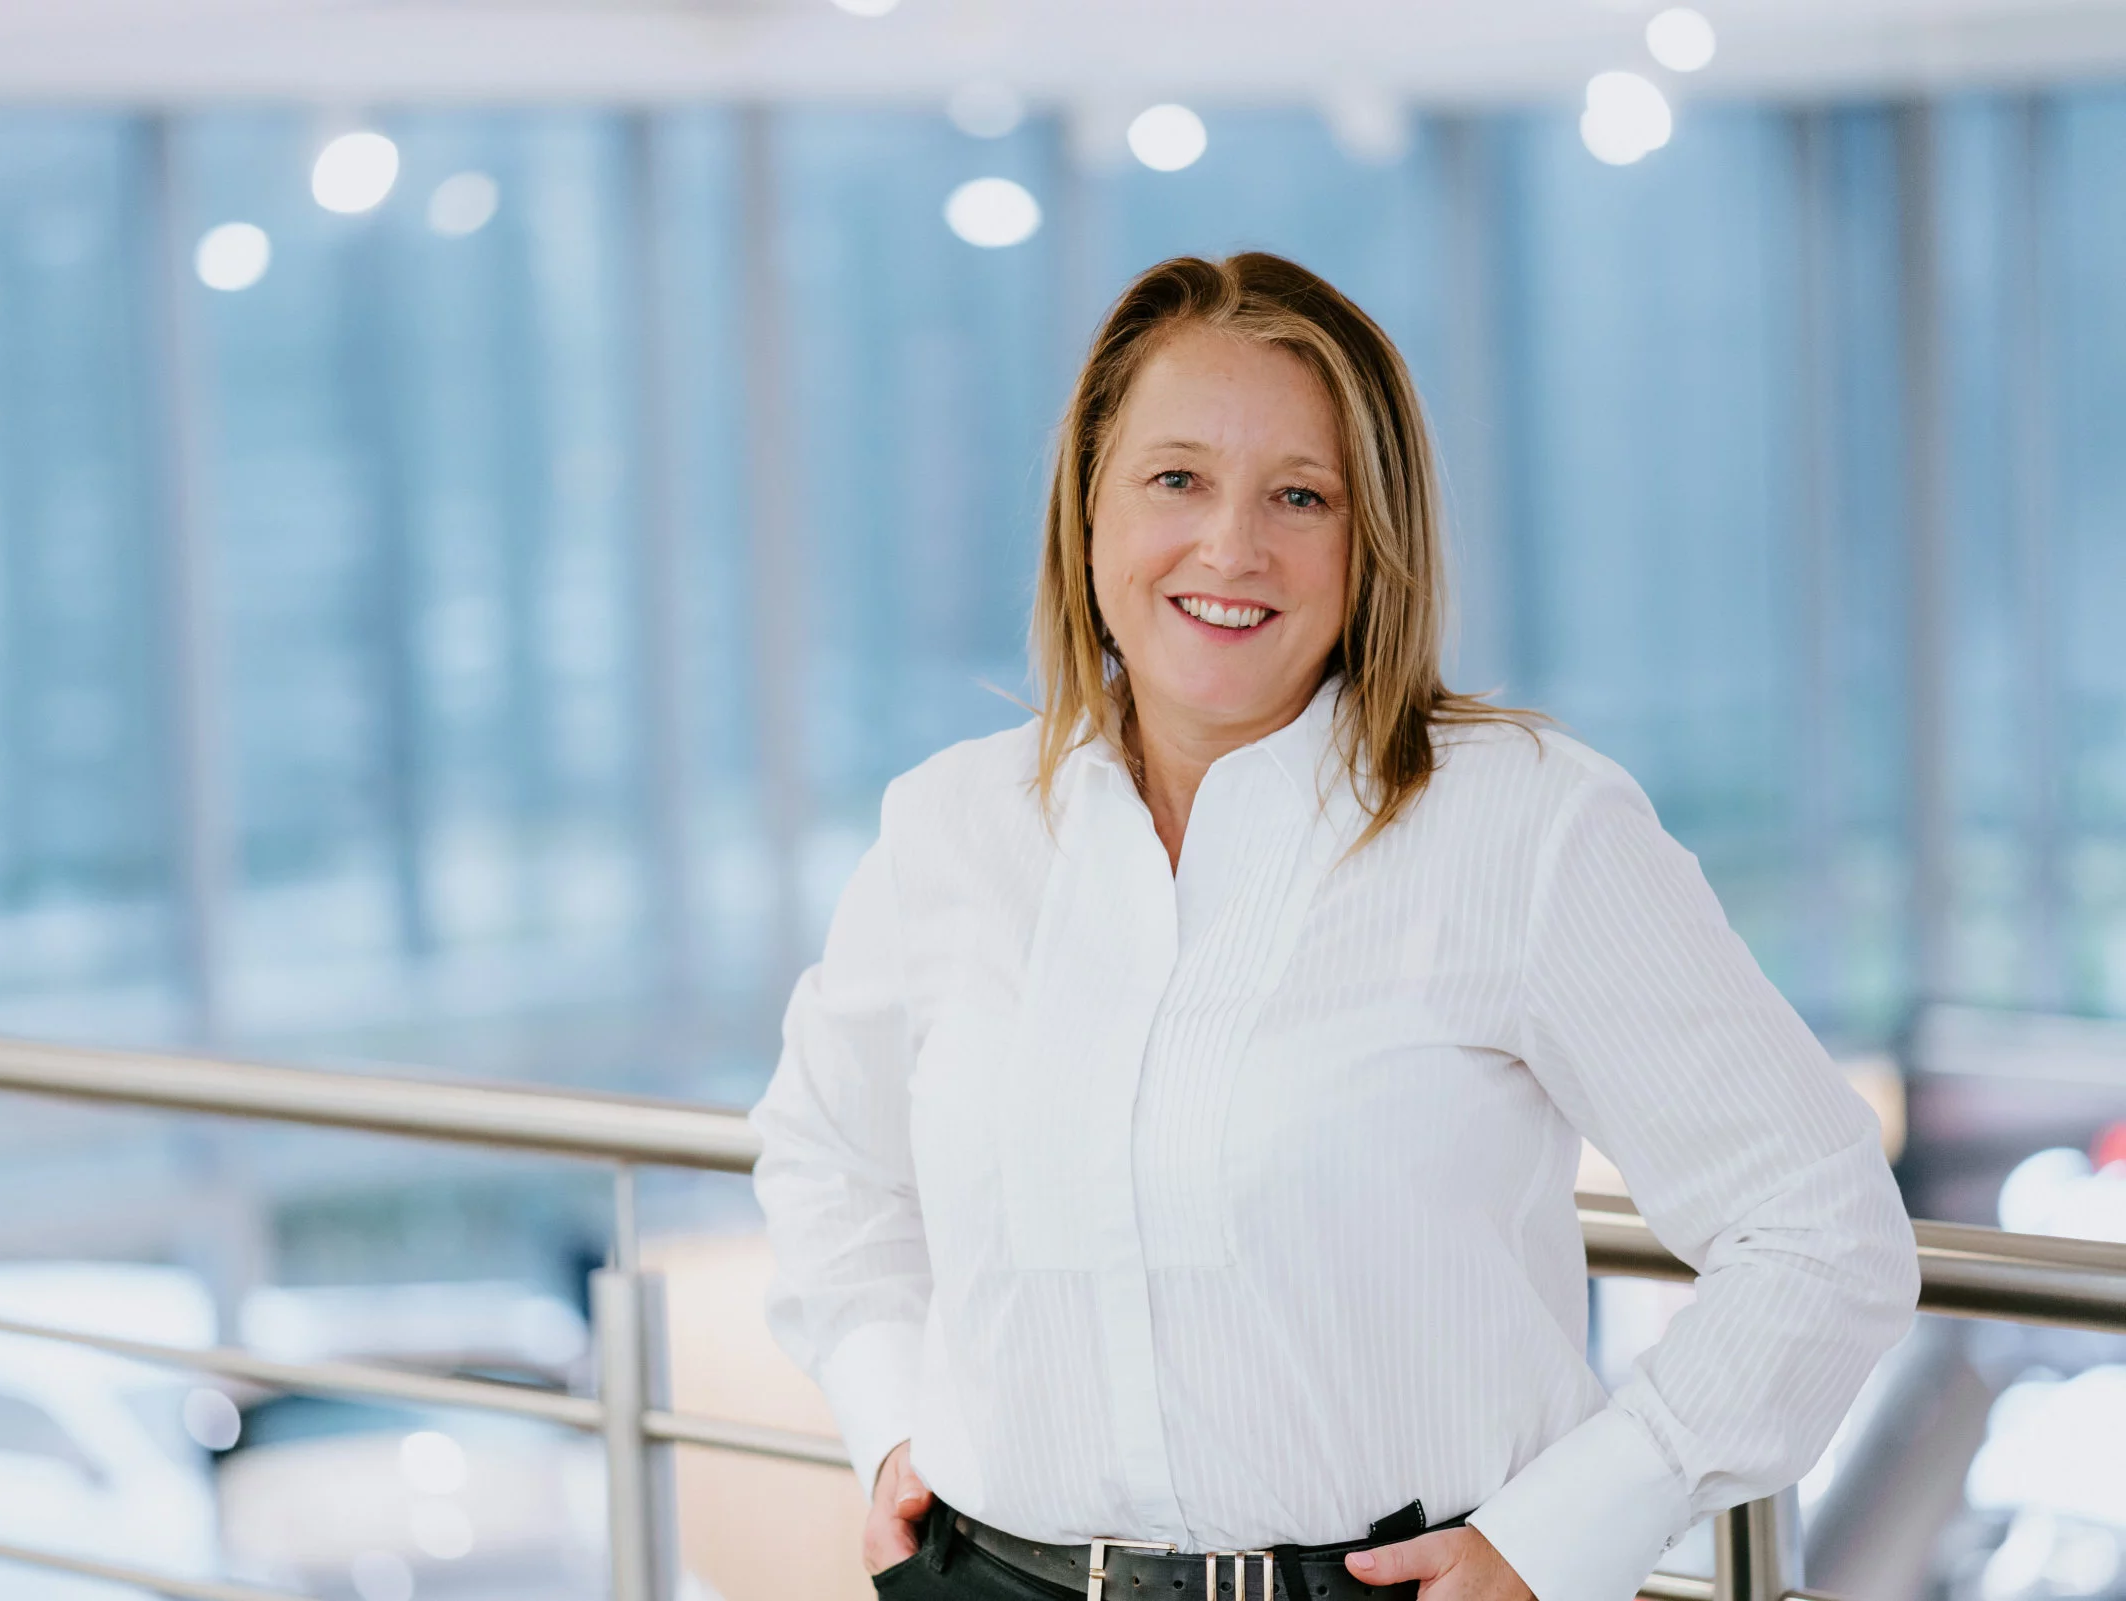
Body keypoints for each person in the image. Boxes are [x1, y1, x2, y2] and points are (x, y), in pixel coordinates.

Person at [750, 253, 1918, 1601]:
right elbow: (825, 1157)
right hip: (984, 1576)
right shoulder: (949, 825)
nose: (1232, 547)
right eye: (1176, 479)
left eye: (1300, 496)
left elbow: (1819, 1229)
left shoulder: (1529, 826)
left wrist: (1558, 1539)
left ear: (1376, 547)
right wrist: (887, 1408)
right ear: (1086, 515)